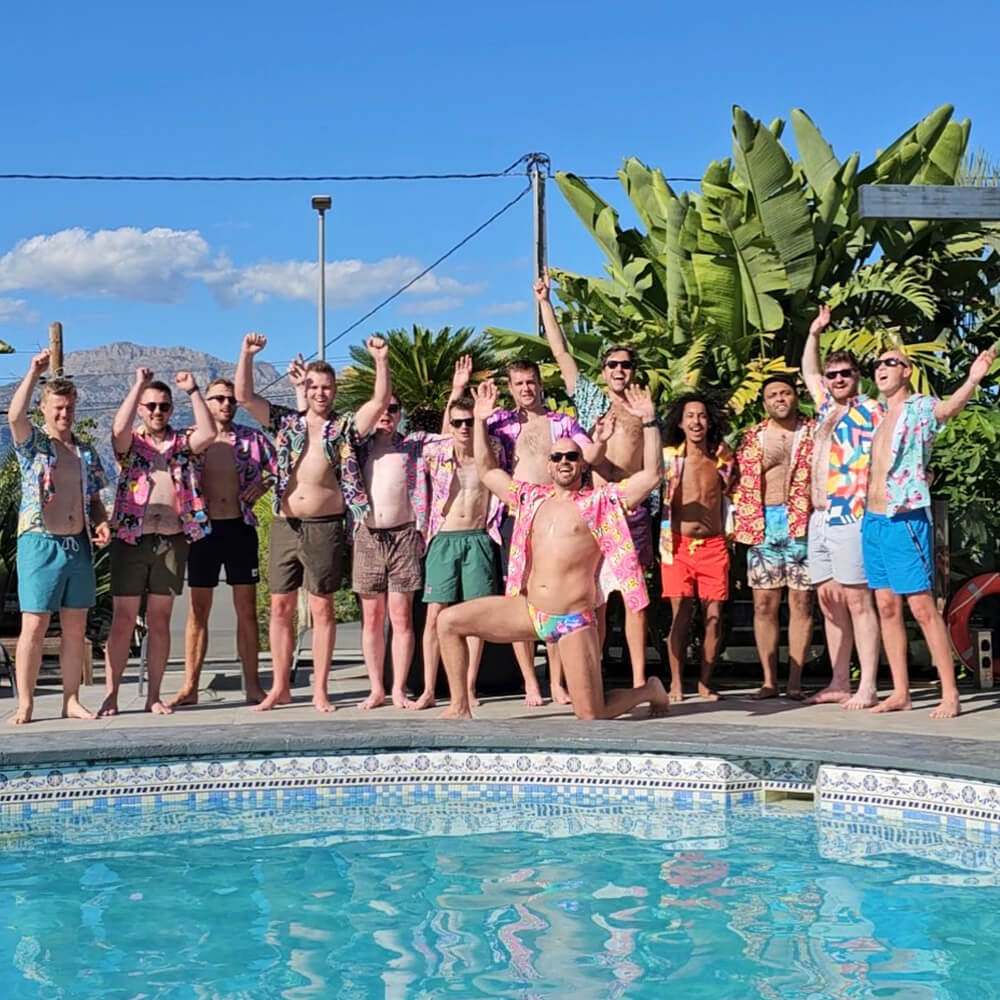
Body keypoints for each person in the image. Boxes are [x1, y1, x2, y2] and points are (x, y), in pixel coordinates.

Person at [436, 379, 670, 721]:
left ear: (582, 463)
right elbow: (487, 471)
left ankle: (650, 690)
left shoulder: (600, 502)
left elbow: (652, 475)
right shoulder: (530, 499)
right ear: (548, 465)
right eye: (557, 456)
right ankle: (459, 707)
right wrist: (482, 422)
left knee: (592, 715)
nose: (564, 461)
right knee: (448, 621)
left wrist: (649, 421)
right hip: (529, 612)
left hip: (574, 620)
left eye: (572, 456)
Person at [235, 332, 390, 712]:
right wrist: (247, 355)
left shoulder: (344, 428)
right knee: (280, 607)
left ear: (334, 391)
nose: (320, 393)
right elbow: (244, 397)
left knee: (322, 608)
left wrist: (381, 360)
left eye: (326, 387)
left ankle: (320, 688)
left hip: (325, 525)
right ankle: (280, 687)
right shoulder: (286, 423)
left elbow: (379, 401)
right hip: (286, 524)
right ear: (304, 387)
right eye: (314, 386)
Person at [536, 269, 656, 691]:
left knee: (634, 601)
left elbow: (653, 461)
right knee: (595, 600)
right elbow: (561, 354)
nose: (619, 370)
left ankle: (641, 679)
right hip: (593, 509)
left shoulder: (644, 406)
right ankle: (594, 676)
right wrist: (546, 303)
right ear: (604, 370)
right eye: (612, 364)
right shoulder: (590, 399)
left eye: (626, 364)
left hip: (631, 510)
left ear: (633, 371)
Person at [863, 344, 996, 719]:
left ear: (906, 371)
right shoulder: (878, 416)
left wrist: (972, 379)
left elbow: (948, 409)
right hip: (873, 520)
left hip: (904, 518)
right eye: (878, 363)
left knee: (921, 608)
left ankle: (950, 692)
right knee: (886, 606)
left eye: (891, 362)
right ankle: (901, 691)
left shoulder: (918, 408)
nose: (882, 368)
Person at [485, 358, 605, 706]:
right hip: (517, 517)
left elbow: (590, 453)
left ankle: (556, 681)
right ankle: (530, 682)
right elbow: (465, 443)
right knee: (522, 598)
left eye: (531, 382)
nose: (526, 388)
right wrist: (467, 400)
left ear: (540, 384)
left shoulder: (562, 424)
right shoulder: (499, 423)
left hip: (555, 514)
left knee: (557, 600)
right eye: (519, 383)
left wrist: (602, 440)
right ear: (510, 387)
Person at [99, 368, 215, 716]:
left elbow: (209, 432)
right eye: (151, 406)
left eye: (163, 406)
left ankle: (153, 696)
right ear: (141, 409)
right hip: (132, 539)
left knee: (160, 619)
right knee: (124, 618)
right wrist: (137, 385)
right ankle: (112, 695)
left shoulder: (183, 444)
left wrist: (194, 390)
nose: (157, 412)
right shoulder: (132, 444)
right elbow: (117, 431)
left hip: (172, 540)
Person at [6, 350, 111, 725]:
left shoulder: (84, 452)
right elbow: (15, 416)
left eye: (69, 407)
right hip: (40, 542)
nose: (64, 414)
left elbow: (96, 499)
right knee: (34, 624)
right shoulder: (33, 445)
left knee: (75, 627)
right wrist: (34, 371)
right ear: (44, 409)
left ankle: (71, 699)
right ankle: (26, 703)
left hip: (76, 544)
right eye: (57, 408)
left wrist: (100, 523)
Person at [168, 377, 277, 708]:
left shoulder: (251, 439)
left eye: (230, 399)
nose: (226, 404)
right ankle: (190, 686)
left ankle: (254, 687)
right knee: (198, 611)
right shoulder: (191, 440)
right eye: (218, 399)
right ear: (207, 402)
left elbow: (281, 466)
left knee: (246, 610)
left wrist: (264, 484)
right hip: (203, 532)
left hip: (239, 529)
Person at [801, 306, 884, 709]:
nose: (836, 380)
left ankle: (867, 682)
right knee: (829, 603)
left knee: (857, 600)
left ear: (857, 377)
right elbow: (808, 371)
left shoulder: (872, 411)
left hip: (850, 512)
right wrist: (815, 333)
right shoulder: (824, 408)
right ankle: (838, 680)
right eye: (832, 375)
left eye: (844, 374)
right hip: (818, 516)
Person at [409, 380, 504, 710]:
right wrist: (455, 387)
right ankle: (429, 689)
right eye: (458, 422)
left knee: (477, 615)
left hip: (478, 536)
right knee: (435, 614)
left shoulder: (492, 447)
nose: (464, 428)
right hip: (445, 537)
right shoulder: (435, 451)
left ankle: (468, 687)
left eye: (469, 422)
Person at [352, 391, 435, 710]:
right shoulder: (358, 449)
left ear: (401, 413)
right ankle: (376, 688)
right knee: (371, 618)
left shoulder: (413, 446)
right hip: (367, 536)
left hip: (403, 536)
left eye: (394, 408)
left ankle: (398, 688)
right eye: (381, 408)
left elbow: (449, 434)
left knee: (401, 617)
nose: (386, 413)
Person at [733, 375, 814, 700]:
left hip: (802, 522)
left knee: (801, 601)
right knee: (764, 604)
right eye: (772, 395)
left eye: (785, 393)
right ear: (764, 402)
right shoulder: (752, 436)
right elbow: (731, 477)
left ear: (795, 396)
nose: (779, 399)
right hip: (762, 522)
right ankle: (769, 680)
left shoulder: (814, 432)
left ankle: (794, 681)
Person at [659, 393, 737, 702]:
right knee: (680, 616)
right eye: (690, 416)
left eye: (702, 416)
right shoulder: (669, 459)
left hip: (713, 546)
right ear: (680, 422)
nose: (696, 421)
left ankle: (705, 681)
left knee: (714, 617)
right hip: (677, 546)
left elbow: (733, 493)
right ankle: (676, 682)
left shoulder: (722, 460)